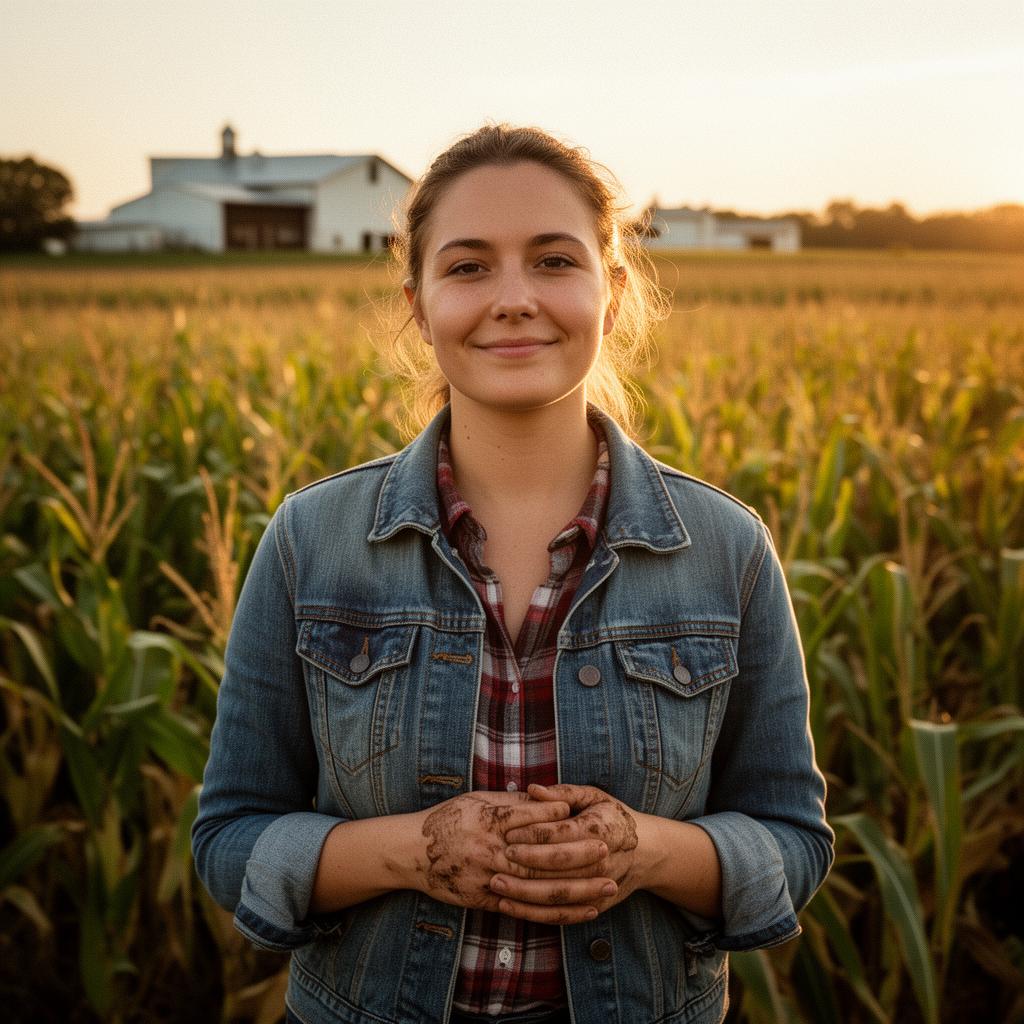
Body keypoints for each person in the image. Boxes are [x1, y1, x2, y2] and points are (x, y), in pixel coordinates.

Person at [192, 124, 834, 1024]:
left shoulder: (727, 549)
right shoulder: (312, 539)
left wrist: (639, 851)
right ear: (417, 302)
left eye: (554, 261)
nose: (514, 299)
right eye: (467, 267)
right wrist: (417, 850)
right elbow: (231, 839)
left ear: (612, 294)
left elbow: (791, 841)